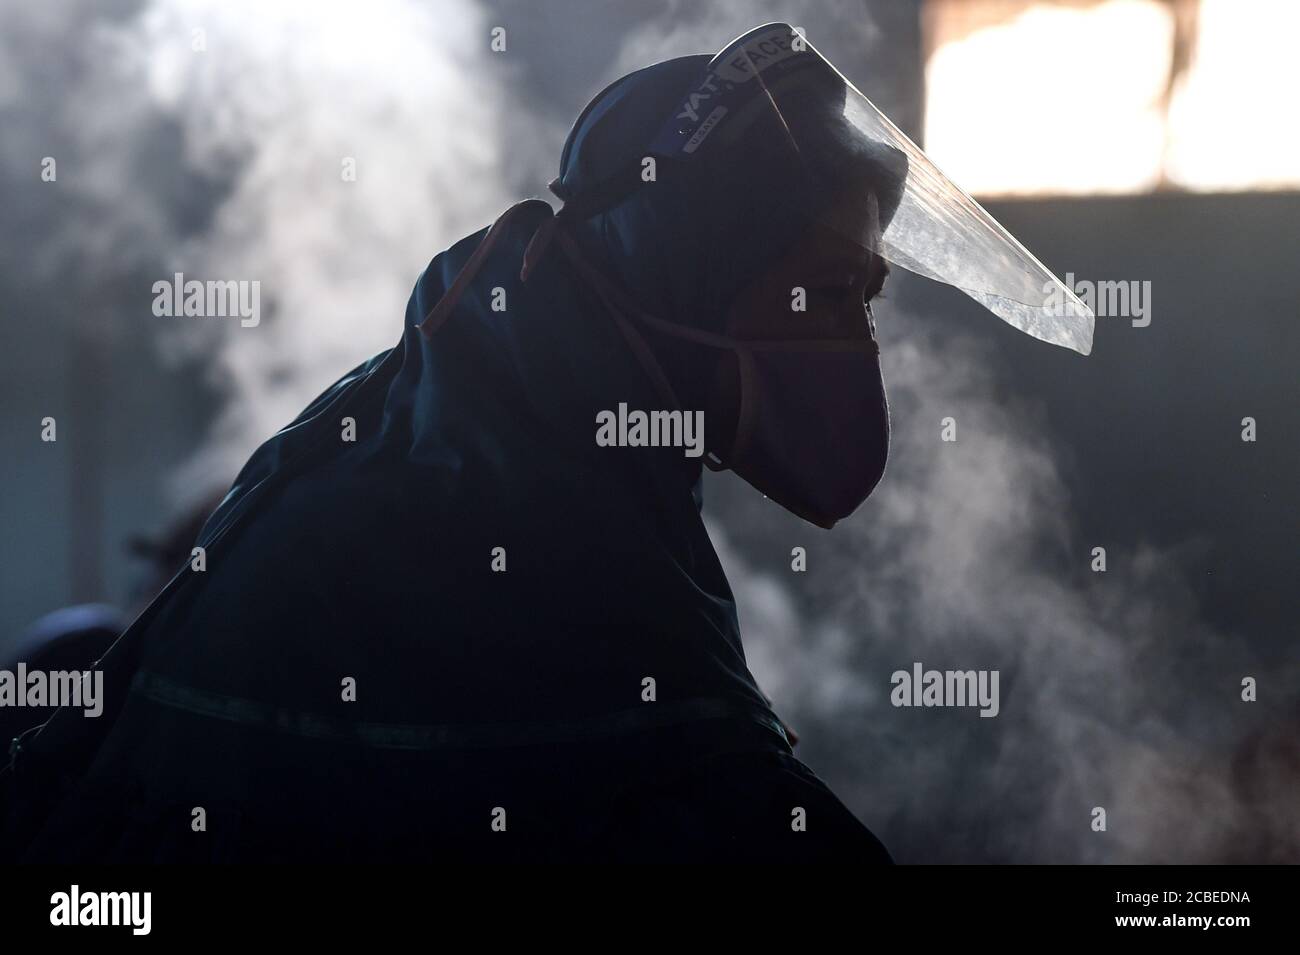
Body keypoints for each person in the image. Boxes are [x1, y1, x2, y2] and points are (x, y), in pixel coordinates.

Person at [3, 22, 1058, 864]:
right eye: (825, 293)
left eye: (867, 299)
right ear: (680, 274)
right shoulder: (522, 538)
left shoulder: (471, 435)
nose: (855, 347)